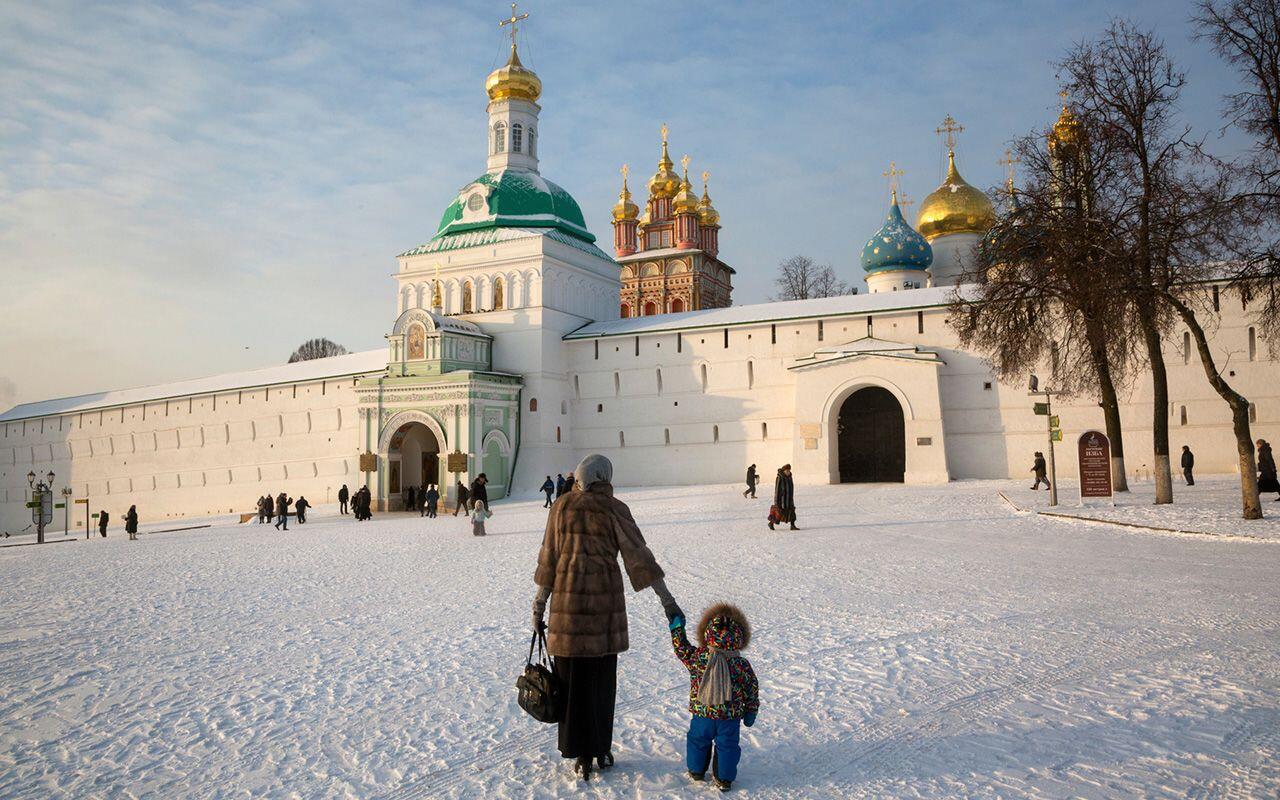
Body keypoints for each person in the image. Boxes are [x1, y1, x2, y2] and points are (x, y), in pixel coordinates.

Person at [532, 454, 682, 782]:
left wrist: (539, 604)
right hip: (602, 616)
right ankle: (599, 748)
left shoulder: (560, 507)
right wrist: (667, 601)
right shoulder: (614, 509)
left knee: (571, 686)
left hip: (567, 617)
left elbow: (549, 558)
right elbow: (640, 559)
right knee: (600, 685)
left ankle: (578, 750)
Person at [669, 604, 759, 792]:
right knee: (728, 746)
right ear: (740, 637)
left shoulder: (699, 657)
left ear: (706, 633)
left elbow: (682, 650)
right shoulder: (740, 663)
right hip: (729, 717)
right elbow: (751, 687)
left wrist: (677, 629)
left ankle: (696, 770)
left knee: (698, 741)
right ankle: (724, 779)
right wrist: (751, 709)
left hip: (703, 712)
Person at [770, 464, 798, 531]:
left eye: (789, 470)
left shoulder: (790, 477)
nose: (788, 472)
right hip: (782, 500)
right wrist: (776, 502)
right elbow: (777, 490)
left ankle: (792, 525)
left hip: (789, 499)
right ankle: (771, 523)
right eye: (787, 470)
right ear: (783, 471)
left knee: (792, 513)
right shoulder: (780, 478)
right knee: (780, 514)